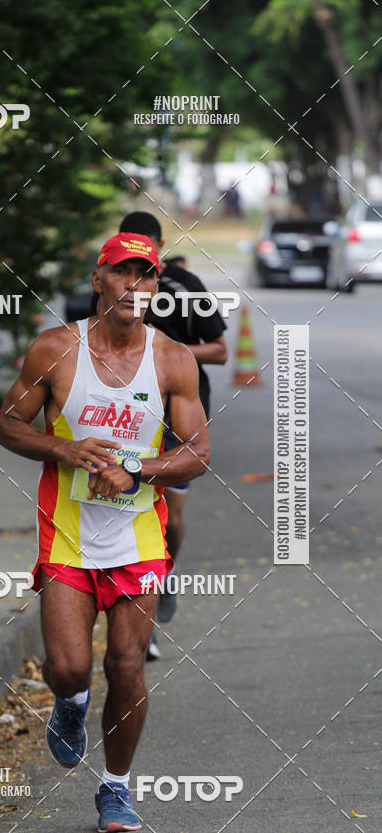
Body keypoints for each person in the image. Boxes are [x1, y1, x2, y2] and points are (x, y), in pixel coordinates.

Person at [0, 232, 210, 833]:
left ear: (156, 289)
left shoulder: (172, 360)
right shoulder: (55, 351)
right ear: (99, 280)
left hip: (138, 536)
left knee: (126, 664)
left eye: (146, 277)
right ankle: (70, 702)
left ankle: (115, 788)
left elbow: (197, 454)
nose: (134, 287)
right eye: (122, 273)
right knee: (67, 668)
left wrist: (136, 466)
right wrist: (62, 446)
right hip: (68, 534)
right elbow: (8, 427)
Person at [116, 212, 228, 659]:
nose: (134, 271)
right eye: (127, 252)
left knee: (170, 516)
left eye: (146, 253)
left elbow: (220, 350)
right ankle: (139, 618)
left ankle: (162, 577)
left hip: (178, 415)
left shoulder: (183, 285)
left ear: (160, 248)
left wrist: (163, 356)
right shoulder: (111, 282)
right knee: (125, 507)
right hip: (125, 414)